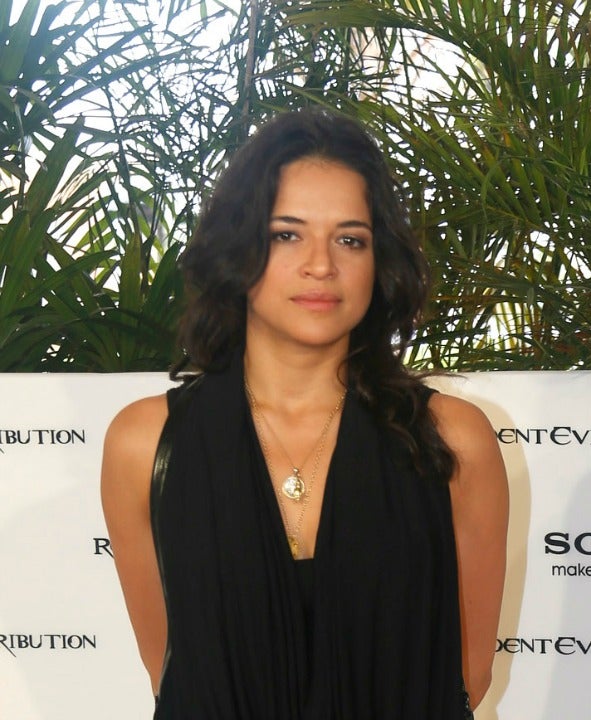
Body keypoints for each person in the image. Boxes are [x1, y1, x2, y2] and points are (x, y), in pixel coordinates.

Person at [101, 108, 509, 718]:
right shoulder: (146, 443)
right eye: (286, 234)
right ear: (238, 248)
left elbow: (465, 677)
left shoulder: (452, 440)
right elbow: (173, 673)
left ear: (380, 261)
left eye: (350, 239)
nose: (321, 264)